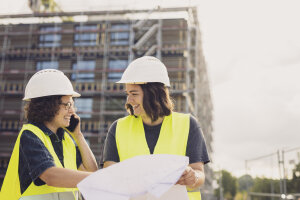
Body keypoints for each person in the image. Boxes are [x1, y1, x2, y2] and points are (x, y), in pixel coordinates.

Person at [103, 56, 210, 200]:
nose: (129, 100)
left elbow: (199, 173)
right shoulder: (118, 128)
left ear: (154, 94)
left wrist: (193, 177)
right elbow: (109, 176)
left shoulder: (188, 124)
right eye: (128, 94)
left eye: (134, 94)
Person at [0, 69, 98, 200]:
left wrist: (78, 135)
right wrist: (102, 179)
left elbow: (91, 172)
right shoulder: (30, 135)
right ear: (49, 106)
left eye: (73, 105)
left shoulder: (66, 141)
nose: (72, 111)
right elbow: (50, 176)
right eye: (67, 105)